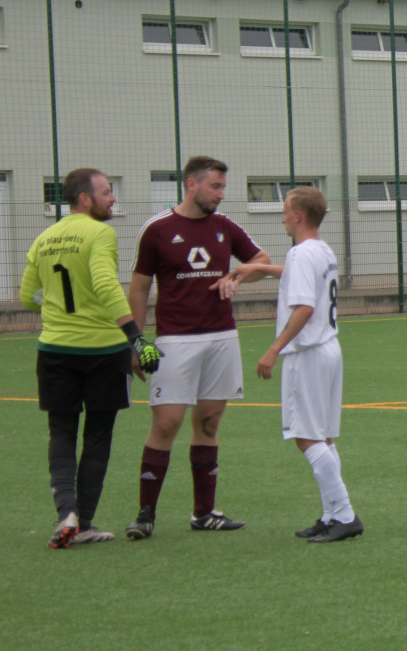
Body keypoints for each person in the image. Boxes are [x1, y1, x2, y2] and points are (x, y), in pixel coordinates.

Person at [125, 156, 271, 539]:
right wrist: (135, 342)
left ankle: (204, 514)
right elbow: (138, 288)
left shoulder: (225, 227)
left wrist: (237, 276)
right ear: (192, 184)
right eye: (215, 187)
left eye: (223, 187)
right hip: (175, 340)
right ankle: (145, 515)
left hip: (222, 338)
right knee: (166, 423)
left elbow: (262, 261)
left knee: (209, 423)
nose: (221, 194)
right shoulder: (157, 229)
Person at [20, 168, 163, 548]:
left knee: (62, 432)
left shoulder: (43, 238)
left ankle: (66, 513)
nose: (113, 198)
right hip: (103, 351)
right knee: (98, 434)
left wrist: (58, 305)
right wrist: (135, 337)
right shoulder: (100, 233)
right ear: (85, 199)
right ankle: (83, 522)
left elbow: (27, 296)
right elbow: (103, 283)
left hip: (54, 350)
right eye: (106, 192)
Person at [232, 187, 362, 543]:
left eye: (285, 211)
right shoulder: (321, 249)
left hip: (306, 353)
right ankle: (332, 514)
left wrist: (273, 349)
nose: (282, 218)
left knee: (305, 437)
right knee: (323, 436)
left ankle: (345, 514)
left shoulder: (301, 253)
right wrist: (260, 267)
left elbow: (304, 307)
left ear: (298, 216)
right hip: (329, 348)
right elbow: (297, 273)